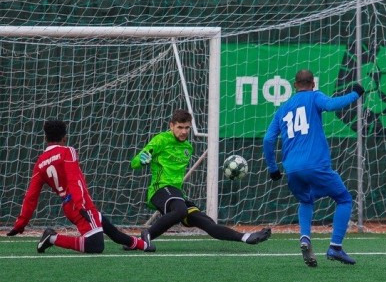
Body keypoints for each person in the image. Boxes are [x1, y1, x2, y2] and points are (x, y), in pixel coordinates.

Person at [263, 69, 364, 267]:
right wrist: (356, 93)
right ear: (313, 84)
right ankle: (335, 247)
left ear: (294, 85)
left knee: (305, 200)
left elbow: (268, 139)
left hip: (291, 168)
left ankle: (305, 237)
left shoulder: (282, 108)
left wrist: (273, 168)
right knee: (344, 199)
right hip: (315, 165)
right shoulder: (315, 97)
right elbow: (332, 104)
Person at [7, 120, 154, 253]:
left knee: (108, 228)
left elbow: (31, 196)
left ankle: (143, 245)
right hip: (79, 204)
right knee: (95, 246)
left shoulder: (40, 162)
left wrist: (20, 224)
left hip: (68, 205)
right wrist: (80, 204)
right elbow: (74, 179)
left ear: (45, 139)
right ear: (64, 137)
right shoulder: (67, 151)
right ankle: (52, 238)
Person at [131, 109, 271, 248]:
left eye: (187, 128)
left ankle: (245, 237)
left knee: (206, 222)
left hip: (177, 194)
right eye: (180, 127)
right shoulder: (160, 140)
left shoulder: (188, 148)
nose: (184, 131)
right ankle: (147, 233)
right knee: (181, 211)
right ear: (171, 126)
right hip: (159, 189)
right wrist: (142, 160)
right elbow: (134, 162)